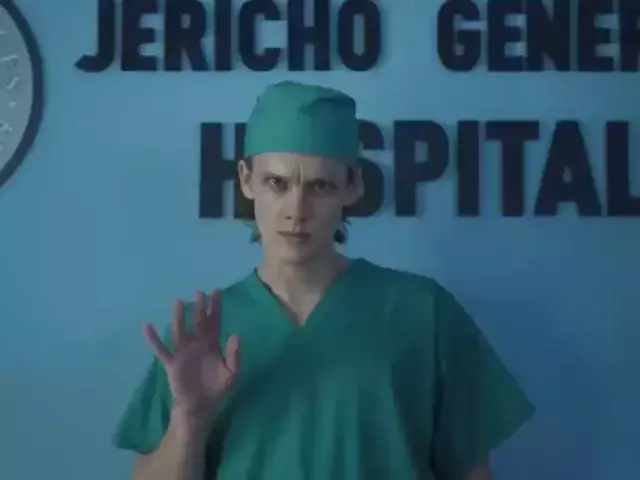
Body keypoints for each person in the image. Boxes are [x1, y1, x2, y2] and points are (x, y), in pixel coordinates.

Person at [113, 81, 535, 480]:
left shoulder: (424, 314)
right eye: (277, 183)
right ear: (246, 180)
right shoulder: (200, 333)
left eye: (321, 186)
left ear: (353, 186)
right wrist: (189, 420)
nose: (297, 209)